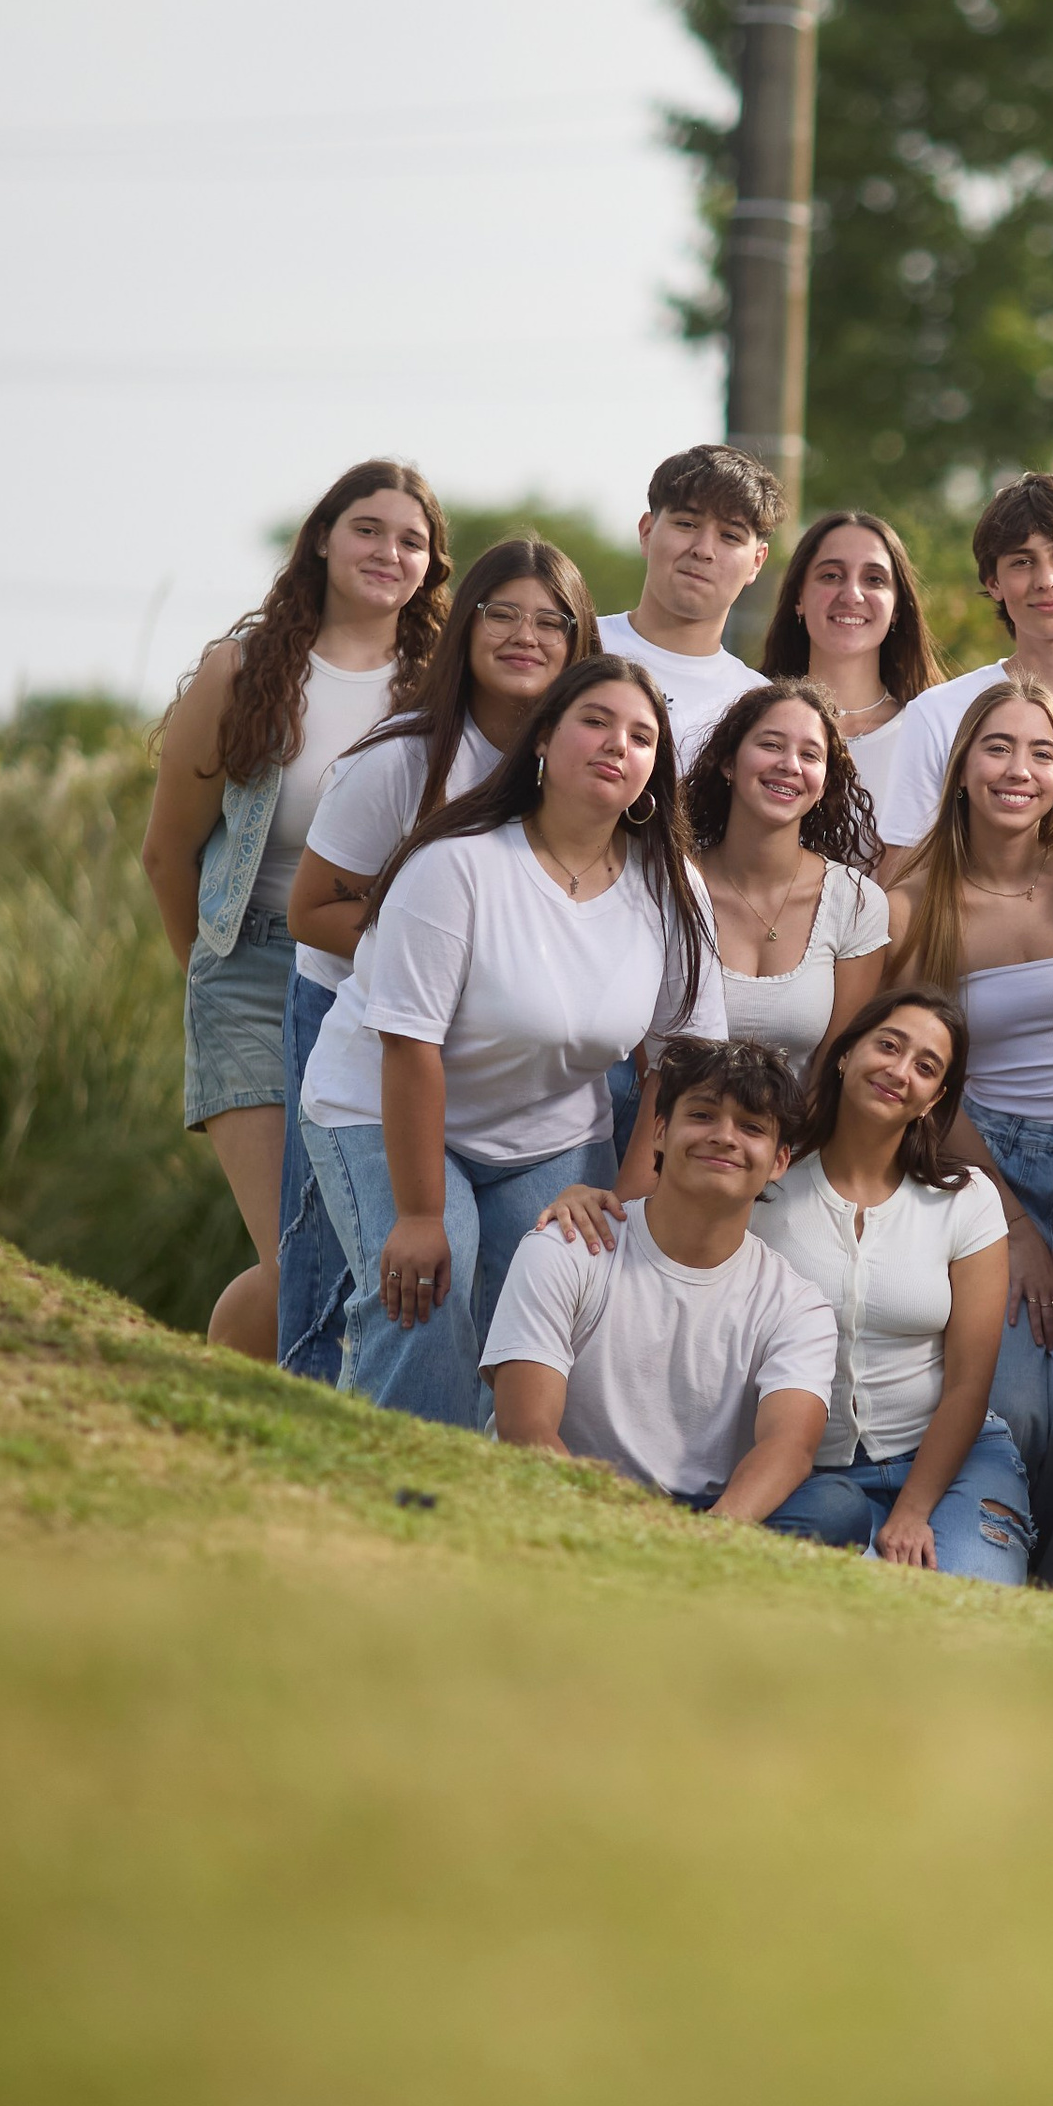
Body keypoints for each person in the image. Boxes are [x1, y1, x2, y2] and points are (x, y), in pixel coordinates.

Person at [298, 656, 707, 1425]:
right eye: (595, 721)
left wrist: (626, 1207)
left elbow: (682, 1065)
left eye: (642, 736)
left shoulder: (672, 888)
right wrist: (420, 1217)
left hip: (548, 1138)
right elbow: (408, 1046)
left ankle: (501, 1508)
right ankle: (391, 1498)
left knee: (562, 1316)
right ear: (544, 740)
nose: (618, 744)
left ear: (654, 770)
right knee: (427, 1293)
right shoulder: (457, 864)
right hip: (384, 1113)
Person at [140, 457, 447, 1360]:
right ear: (323, 537)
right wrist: (205, 972)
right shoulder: (241, 672)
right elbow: (168, 852)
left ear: (431, 566)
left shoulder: (435, 695)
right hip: (249, 974)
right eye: (367, 529)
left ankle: (217, 1385)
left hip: (369, 983)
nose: (387, 551)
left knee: (341, 1252)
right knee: (292, 1249)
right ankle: (226, 1397)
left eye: (411, 539)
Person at [277, 536, 595, 1388]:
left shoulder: (589, 766)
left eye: (550, 621)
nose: (525, 636)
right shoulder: (402, 759)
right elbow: (309, 910)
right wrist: (444, 965)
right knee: (347, 1280)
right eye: (502, 614)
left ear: (578, 641)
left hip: (516, 1085)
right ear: (467, 626)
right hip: (369, 1036)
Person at [888, 683, 1053, 1578]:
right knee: (1013, 1406)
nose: (1019, 770)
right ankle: (995, 1562)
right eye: (997, 748)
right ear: (962, 767)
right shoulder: (913, 898)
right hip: (978, 1166)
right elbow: (926, 1079)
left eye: (1041, 753)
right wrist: (1005, 1217)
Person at [746, 986, 1037, 1580]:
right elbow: (664, 1217)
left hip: (950, 1464)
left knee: (966, 1610)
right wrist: (586, 1197)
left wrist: (912, 1510)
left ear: (935, 1100)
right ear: (845, 1054)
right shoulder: (767, 1179)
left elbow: (969, 1385)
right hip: (805, 1472)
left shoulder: (967, 1200)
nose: (900, 1071)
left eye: (926, 1067)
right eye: (889, 1045)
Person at [484, 1037, 836, 1510]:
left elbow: (788, 1448)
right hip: (568, 1495)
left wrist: (705, 1545)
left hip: (703, 1518)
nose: (724, 1137)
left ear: (779, 1162)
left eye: (751, 1126)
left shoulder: (797, 1305)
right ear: (659, 1132)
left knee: (835, 1507)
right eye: (702, 1115)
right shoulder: (567, 1246)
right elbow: (526, 1428)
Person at [870, 473, 1053, 845]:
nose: (1046, 579)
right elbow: (906, 875)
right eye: (1023, 562)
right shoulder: (940, 713)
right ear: (993, 582)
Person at [676, 680, 891, 1072]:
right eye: (771, 745)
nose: (790, 765)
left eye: (810, 754)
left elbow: (834, 1070)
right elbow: (650, 1054)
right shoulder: (673, 885)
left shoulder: (857, 902)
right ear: (728, 763)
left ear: (823, 783)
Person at [593, 442, 785, 766]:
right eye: (686, 524)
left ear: (756, 562)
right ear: (646, 532)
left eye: (730, 536)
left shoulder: (760, 706)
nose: (703, 549)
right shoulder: (570, 647)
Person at [756, 505, 946, 817]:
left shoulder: (932, 733)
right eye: (831, 575)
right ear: (798, 598)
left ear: (897, 607)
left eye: (874, 579)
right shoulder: (751, 723)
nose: (852, 595)